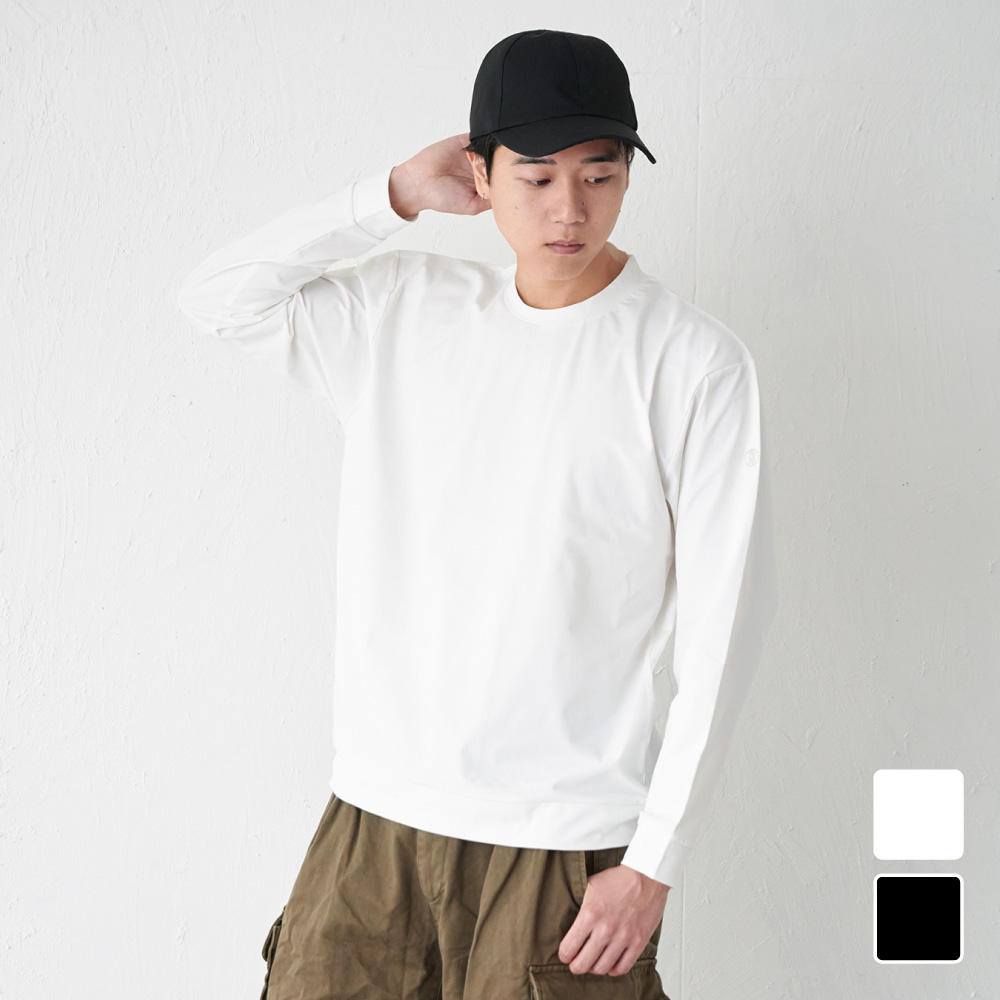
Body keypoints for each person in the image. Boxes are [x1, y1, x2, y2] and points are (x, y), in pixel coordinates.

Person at [177, 28, 764, 1000]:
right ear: (479, 173)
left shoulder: (691, 363)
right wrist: (391, 196)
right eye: (535, 176)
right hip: (375, 820)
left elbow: (725, 628)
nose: (569, 208)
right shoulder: (405, 313)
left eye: (600, 175)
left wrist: (653, 861)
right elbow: (218, 299)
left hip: (560, 839)